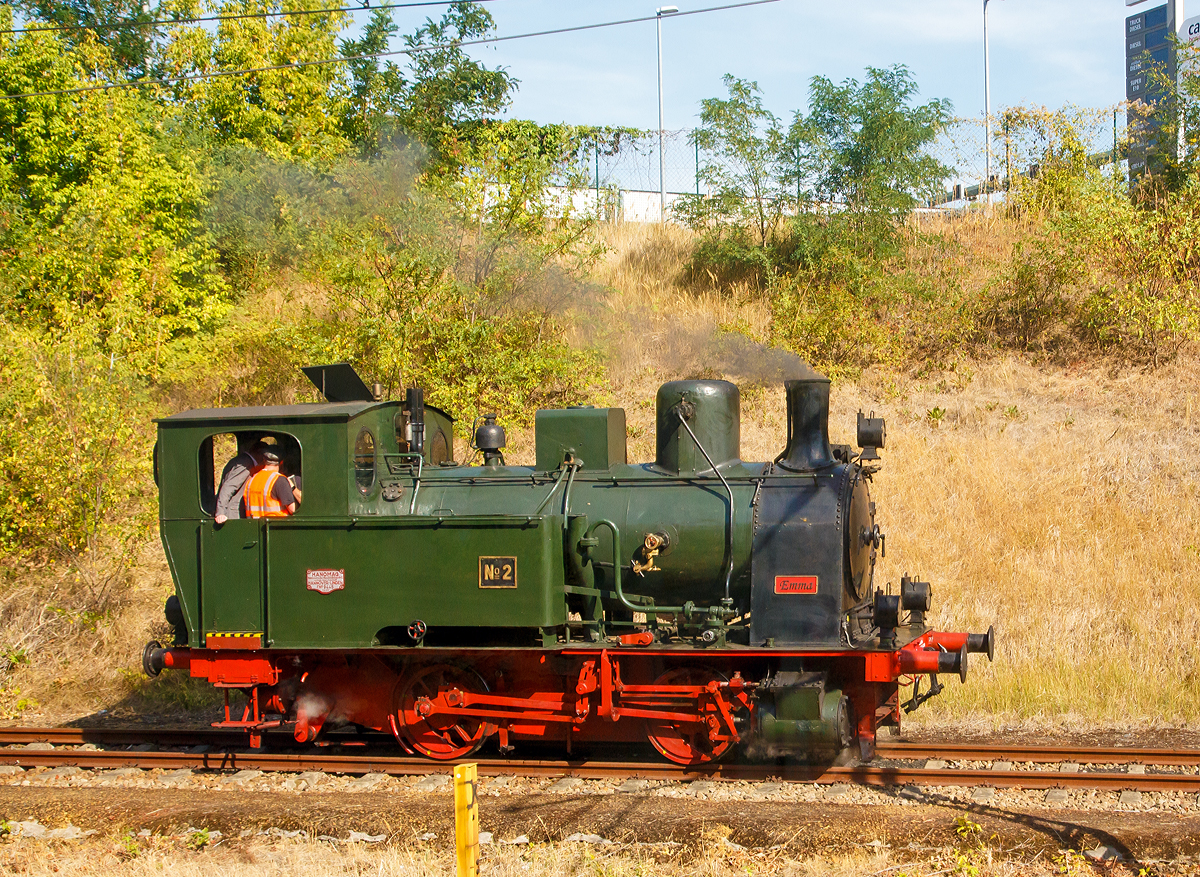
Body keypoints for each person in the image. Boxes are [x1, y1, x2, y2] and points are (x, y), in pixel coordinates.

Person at [214, 440, 268, 525]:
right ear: (259, 453)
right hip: (233, 513)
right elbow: (229, 486)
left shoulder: (243, 460)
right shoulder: (246, 464)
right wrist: (220, 513)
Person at [243, 447, 298, 518]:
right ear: (281, 462)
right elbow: (293, 510)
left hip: (253, 526)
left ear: (264, 460)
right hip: (275, 526)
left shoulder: (252, 479)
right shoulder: (279, 479)